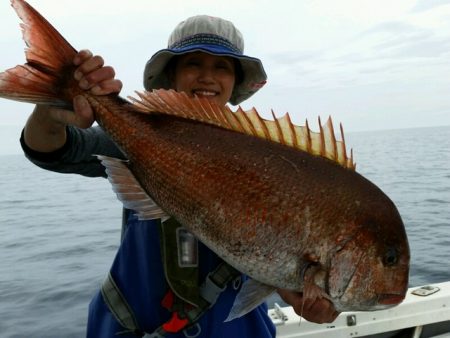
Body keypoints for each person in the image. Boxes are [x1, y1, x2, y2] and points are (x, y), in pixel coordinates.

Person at [21, 15, 339, 337]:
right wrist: (49, 114)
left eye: (222, 67)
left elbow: (277, 249)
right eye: (193, 63)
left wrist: (300, 289)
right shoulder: (140, 134)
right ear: (171, 75)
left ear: (235, 81)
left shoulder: (267, 156)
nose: (207, 76)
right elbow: (55, 150)